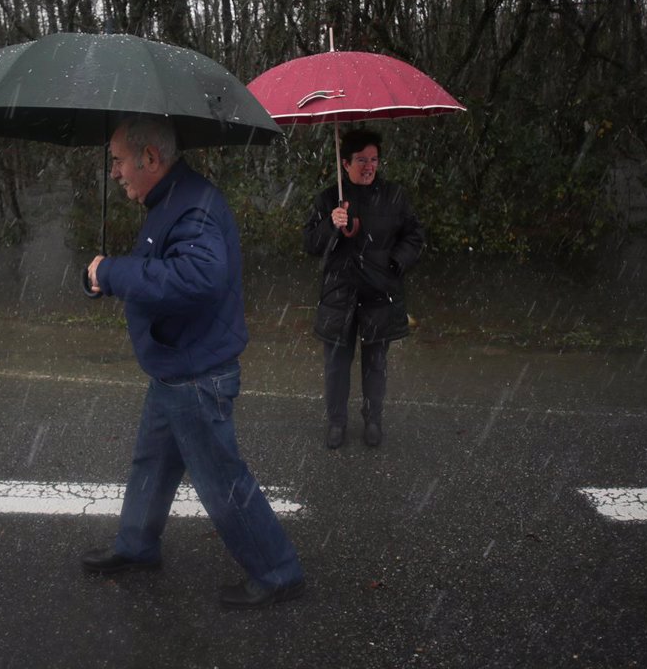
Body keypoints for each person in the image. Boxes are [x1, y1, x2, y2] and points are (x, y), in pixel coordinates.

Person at [81, 114, 305, 609]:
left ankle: (277, 570)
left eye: (118, 161)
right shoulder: (172, 198)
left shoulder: (193, 206)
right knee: (152, 463)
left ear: (151, 158)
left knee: (221, 479)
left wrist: (115, 272)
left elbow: (197, 278)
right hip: (174, 367)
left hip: (196, 375)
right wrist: (106, 275)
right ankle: (137, 545)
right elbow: (163, 268)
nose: (114, 172)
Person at [302, 128, 425, 449]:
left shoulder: (394, 196)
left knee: (376, 365)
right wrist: (332, 224)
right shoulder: (329, 199)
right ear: (345, 163)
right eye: (361, 160)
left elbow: (414, 237)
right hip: (339, 295)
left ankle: (373, 419)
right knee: (336, 366)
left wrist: (395, 263)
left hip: (379, 295)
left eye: (374, 160)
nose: (369, 166)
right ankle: (336, 422)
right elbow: (310, 244)